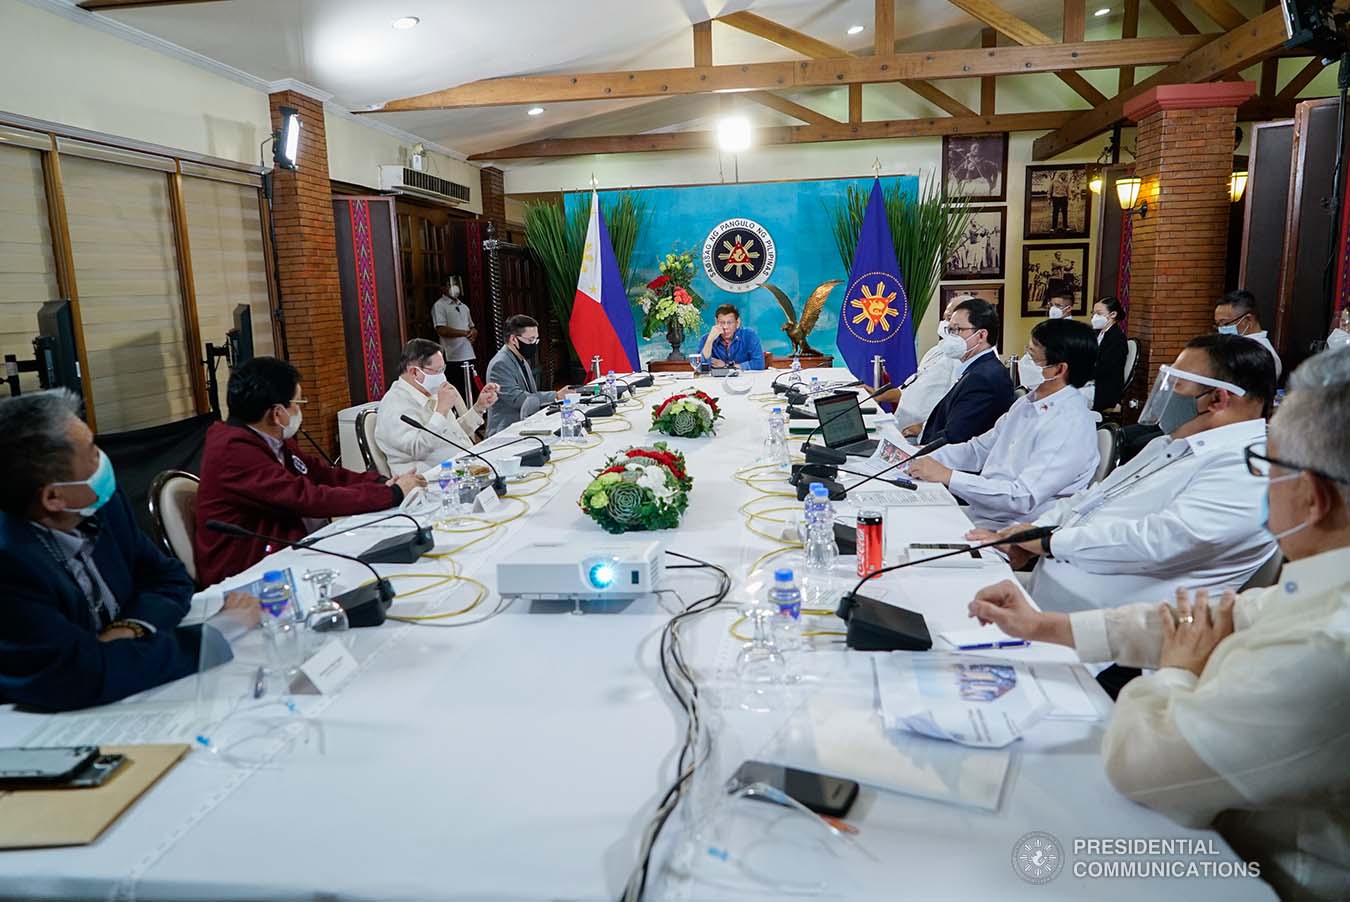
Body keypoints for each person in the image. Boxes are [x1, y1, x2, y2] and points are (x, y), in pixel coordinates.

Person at [966, 348, 1350, 901]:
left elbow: (1142, 766)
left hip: (1243, 874)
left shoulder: (1322, 649)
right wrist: (1046, 626)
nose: (1261, 483)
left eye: (1268, 469)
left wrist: (1175, 671)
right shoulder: (1315, 587)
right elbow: (1208, 618)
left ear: (1312, 497)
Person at [967, 334, 1278, 614]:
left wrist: (1049, 542)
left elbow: (1159, 541)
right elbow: (1090, 500)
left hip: (1102, 638)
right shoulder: (1167, 445)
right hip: (1044, 597)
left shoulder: (1249, 469)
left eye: (1177, 387)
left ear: (1217, 399)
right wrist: (1027, 534)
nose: (1167, 396)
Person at [0, 390, 258, 712]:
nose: (103, 462)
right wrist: (218, 632)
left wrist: (129, 629)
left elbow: (168, 578)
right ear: (53, 498)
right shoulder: (10, 561)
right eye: (93, 453)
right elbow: (75, 674)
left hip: (126, 687)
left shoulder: (100, 503)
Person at [195, 357, 424, 586]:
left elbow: (324, 474)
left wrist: (381, 483)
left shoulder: (269, 438)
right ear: (277, 414)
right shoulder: (233, 452)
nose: (299, 409)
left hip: (291, 550)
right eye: (297, 402)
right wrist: (391, 495)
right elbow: (307, 498)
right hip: (251, 573)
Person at [907, 319, 1100, 530]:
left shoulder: (1069, 425)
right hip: (982, 513)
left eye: (1032, 356)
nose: (1024, 362)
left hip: (1011, 531)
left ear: (1059, 369)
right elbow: (979, 449)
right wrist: (916, 460)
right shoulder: (1028, 402)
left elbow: (1022, 497)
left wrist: (949, 476)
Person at [375, 339, 500, 473]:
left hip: (462, 468)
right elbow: (418, 449)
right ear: (414, 372)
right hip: (428, 480)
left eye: (443, 369)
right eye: (437, 371)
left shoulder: (430, 393)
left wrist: (479, 407)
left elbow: (453, 434)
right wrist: (441, 410)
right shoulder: (395, 405)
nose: (443, 377)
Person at [910, 297, 1014, 445]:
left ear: (981, 335)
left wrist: (914, 454)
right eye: (950, 329)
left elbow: (955, 437)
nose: (950, 336)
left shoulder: (983, 378)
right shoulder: (977, 368)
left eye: (957, 330)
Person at [879, 295, 964, 431]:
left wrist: (923, 428)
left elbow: (955, 407)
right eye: (945, 318)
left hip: (923, 435)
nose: (944, 324)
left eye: (949, 319)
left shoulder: (960, 359)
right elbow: (906, 391)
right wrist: (874, 395)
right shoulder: (936, 350)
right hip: (902, 426)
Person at [485, 314, 571, 436]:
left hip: (526, 424)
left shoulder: (521, 358)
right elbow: (518, 399)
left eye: (536, 340)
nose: (534, 344)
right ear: (514, 339)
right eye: (531, 340)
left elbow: (531, 394)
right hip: (506, 431)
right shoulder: (500, 364)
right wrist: (556, 395)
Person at [1214, 289, 1282, 378]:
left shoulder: (1259, 353)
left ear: (1248, 320)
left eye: (1225, 323)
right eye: (1218, 325)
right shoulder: (1236, 346)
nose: (1221, 329)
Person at [432, 276, 477, 402]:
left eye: (456, 284)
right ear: (443, 288)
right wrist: (463, 333)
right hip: (453, 355)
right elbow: (441, 328)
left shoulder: (464, 306)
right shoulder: (439, 306)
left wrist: (473, 332)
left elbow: (472, 326)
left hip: (468, 353)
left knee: (472, 388)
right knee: (458, 389)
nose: (454, 287)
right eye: (450, 284)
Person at [1087, 296, 1129, 412]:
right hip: (1092, 382)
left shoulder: (1117, 339)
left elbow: (1105, 368)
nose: (1094, 317)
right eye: (1093, 313)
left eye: (1099, 313)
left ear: (1113, 314)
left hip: (1104, 389)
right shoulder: (1098, 334)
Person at [699, 304, 766, 371]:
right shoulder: (706, 339)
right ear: (716, 322)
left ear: (738, 322)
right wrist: (710, 340)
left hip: (745, 380)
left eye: (729, 323)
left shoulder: (749, 335)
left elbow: (759, 364)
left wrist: (726, 366)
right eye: (722, 322)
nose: (725, 327)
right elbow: (701, 367)